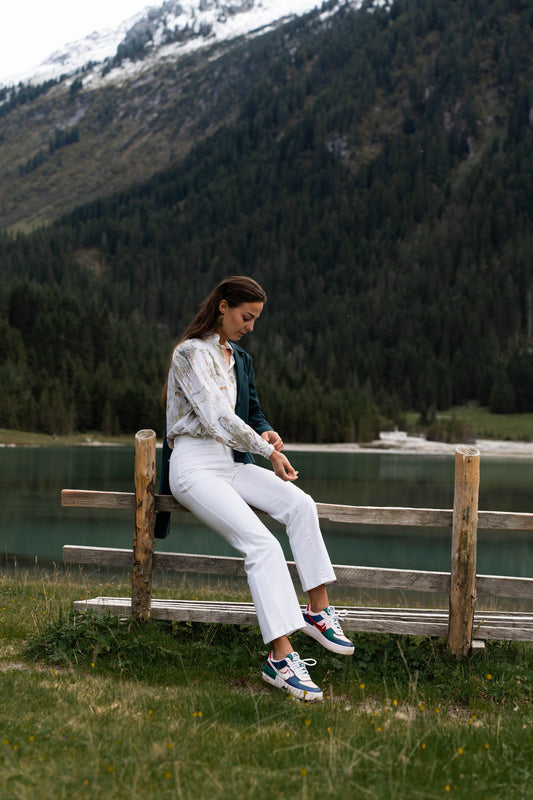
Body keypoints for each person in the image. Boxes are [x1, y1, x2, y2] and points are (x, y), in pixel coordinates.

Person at [162, 275, 353, 701]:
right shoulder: (189, 353)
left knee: (299, 504)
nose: (251, 326)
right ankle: (280, 659)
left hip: (232, 462)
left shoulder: (237, 357)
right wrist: (265, 453)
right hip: (194, 464)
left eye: (255, 319)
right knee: (261, 546)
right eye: (246, 317)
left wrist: (266, 437)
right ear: (223, 307)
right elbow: (215, 417)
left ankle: (318, 611)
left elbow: (249, 414)